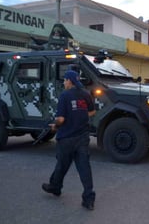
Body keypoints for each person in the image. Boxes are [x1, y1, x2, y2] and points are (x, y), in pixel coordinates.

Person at [42, 70, 96, 210]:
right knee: (84, 168)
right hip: (82, 137)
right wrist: (80, 117)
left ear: (70, 81)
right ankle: (88, 199)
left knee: (62, 165)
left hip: (66, 138)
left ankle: (55, 187)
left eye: (65, 80)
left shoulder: (65, 95)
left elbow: (61, 119)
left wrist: (55, 126)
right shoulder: (85, 94)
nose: (64, 82)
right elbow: (92, 111)